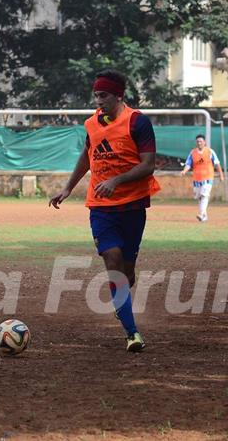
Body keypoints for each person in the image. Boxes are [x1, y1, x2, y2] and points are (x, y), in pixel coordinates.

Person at [48, 69, 160, 352]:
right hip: (101, 208)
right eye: (96, 95)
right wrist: (68, 188)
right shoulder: (91, 124)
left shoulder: (138, 122)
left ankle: (120, 304)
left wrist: (117, 180)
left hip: (133, 206)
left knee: (127, 272)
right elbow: (87, 155)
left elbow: (148, 165)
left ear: (119, 95)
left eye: (104, 95)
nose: (99, 100)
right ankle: (132, 332)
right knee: (112, 261)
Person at [180, 134, 225, 222]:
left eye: (201, 141)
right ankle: (204, 216)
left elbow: (217, 164)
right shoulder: (193, 153)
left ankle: (201, 214)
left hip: (208, 177)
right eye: (198, 141)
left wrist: (221, 175)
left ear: (204, 142)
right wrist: (184, 171)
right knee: (199, 197)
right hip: (197, 178)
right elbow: (188, 164)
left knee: (204, 195)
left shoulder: (210, 152)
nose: (199, 143)